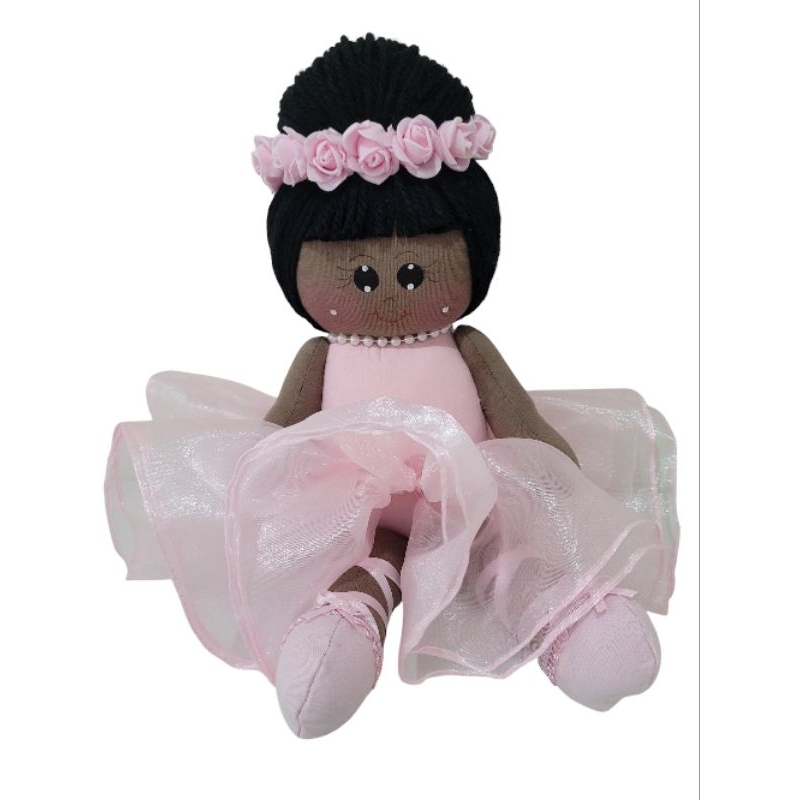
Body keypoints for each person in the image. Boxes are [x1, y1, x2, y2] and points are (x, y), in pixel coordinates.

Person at [106, 34, 678, 739]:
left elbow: (518, 418)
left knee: (508, 547)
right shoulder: (320, 356)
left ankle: (572, 619)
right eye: (354, 271)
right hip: (354, 509)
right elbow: (281, 431)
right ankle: (347, 623)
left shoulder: (468, 347)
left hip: (476, 490)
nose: (384, 287)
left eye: (415, 271)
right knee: (363, 560)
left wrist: (550, 465)